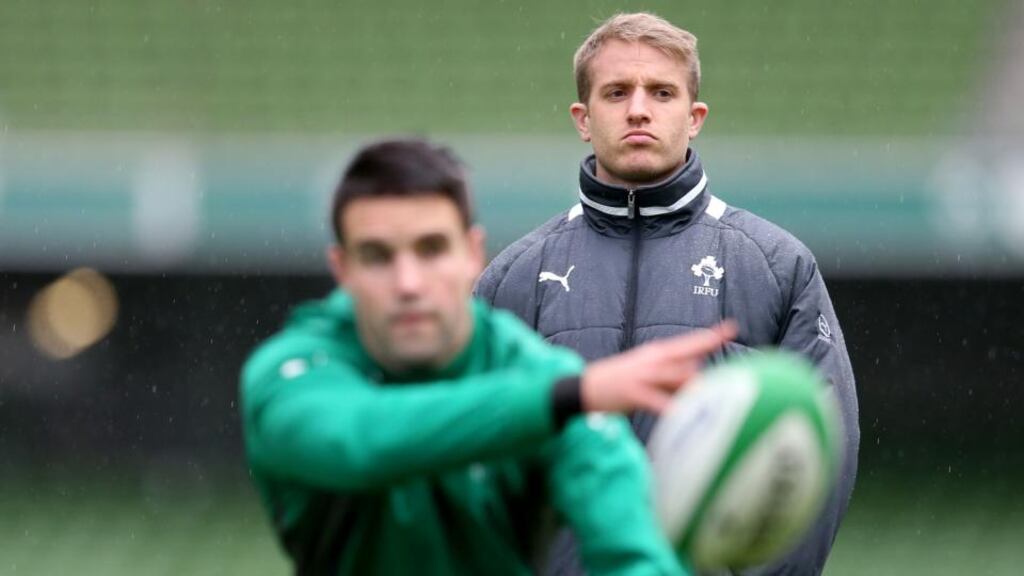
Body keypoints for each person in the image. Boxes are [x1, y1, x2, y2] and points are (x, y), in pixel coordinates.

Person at [475, 12, 860, 576]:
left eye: (661, 92)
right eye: (616, 92)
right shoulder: (513, 277)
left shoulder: (777, 266)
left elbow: (822, 452)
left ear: (694, 116)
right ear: (583, 119)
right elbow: (471, 461)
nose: (638, 109)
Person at [240, 138, 736, 575]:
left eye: (431, 249)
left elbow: (631, 552)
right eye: (377, 256)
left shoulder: (544, 378)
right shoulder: (292, 372)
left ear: (473, 254)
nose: (408, 283)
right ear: (342, 268)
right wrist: (564, 398)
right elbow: (358, 444)